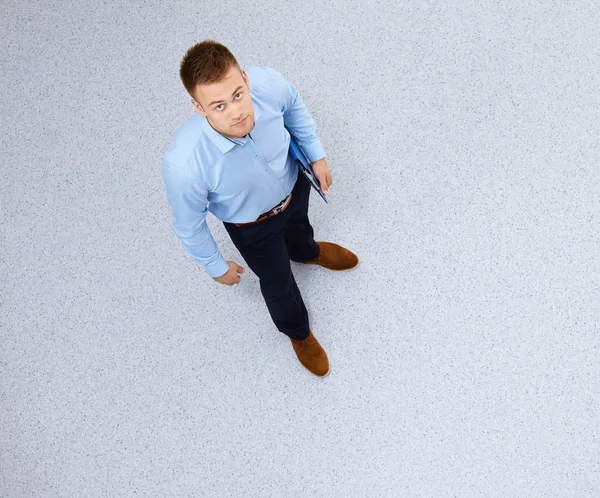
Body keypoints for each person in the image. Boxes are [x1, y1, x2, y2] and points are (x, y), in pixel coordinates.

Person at [162, 40, 359, 377]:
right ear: (199, 108)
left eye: (238, 94)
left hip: (294, 186)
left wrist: (317, 155)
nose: (236, 112)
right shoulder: (184, 165)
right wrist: (214, 265)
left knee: (300, 228)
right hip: (251, 226)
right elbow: (189, 225)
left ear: (245, 78)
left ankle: (307, 252)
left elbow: (294, 105)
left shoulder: (268, 83)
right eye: (219, 106)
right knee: (277, 281)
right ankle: (298, 332)